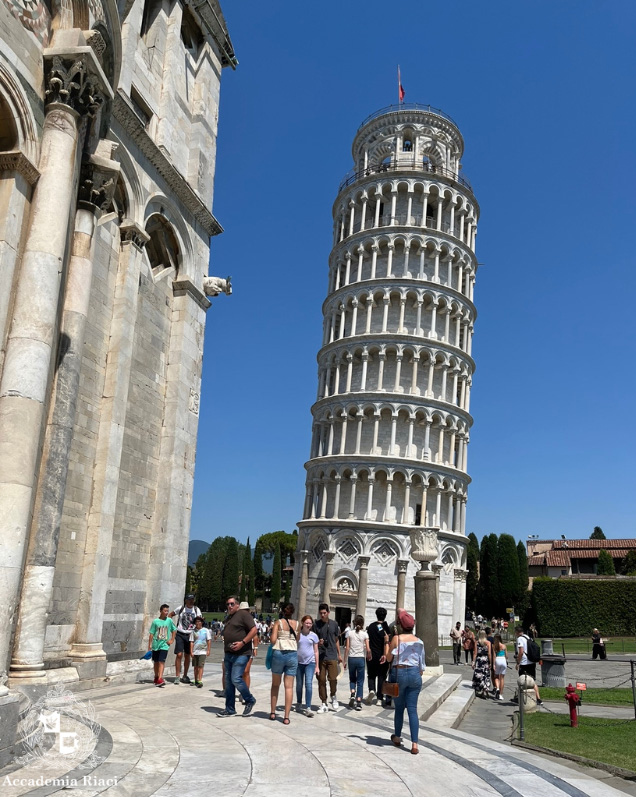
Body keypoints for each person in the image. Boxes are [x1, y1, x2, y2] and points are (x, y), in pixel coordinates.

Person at [384, 609, 424, 755]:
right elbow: (422, 664)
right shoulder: (419, 641)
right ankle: (414, 743)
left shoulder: (397, 639)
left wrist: (387, 644)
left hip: (399, 672)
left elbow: (389, 659)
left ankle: (397, 736)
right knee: (412, 709)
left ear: (400, 625)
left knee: (399, 708)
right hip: (414, 674)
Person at [219, 595, 258, 717]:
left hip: (241, 653)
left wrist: (243, 643)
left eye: (231, 604)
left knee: (236, 678)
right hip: (229, 653)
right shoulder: (229, 617)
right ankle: (230, 709)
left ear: (237, 605)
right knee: (229, 682)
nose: (229, 606)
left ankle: (250, 699)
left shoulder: (243, 614)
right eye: (227, 604)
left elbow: (254, 630)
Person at [269, 602, 299, 724]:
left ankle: (272, 712)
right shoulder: (297, 624)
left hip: (279, 652)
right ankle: (286, 717)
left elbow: (273, 640)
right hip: (292, 654)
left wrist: (272, 631)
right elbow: (298, 639)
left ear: (282, 611)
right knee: (289, 687)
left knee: (275, 684)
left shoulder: (278, 623)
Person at [315, 603, 343, 713]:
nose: (322, 615)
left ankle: (333, 695)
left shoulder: (334, 624)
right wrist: (318, 642)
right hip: (321, 655)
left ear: (328, 613)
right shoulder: (316, 625)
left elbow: (336, 639)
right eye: (321, 613)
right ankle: (323, 702)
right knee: (321, 680)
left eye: (324, 613)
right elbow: (313, 639)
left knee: (333, 678)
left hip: (332, 655)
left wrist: (339, 654)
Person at [169, 594, 202, 684]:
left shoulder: (196, 609)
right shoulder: (181, 608)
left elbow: (199, 620)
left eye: (193, 599)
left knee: (187, 655)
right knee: (179, 654)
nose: (191, 601)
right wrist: (171, 626)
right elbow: (170, 614)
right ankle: (177, 676)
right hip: (180, 633)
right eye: (190, 600)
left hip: (190, 634)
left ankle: (185, 675)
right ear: (186, 600)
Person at [344, 615, 370, 710]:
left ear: (354, 623)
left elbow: (347, 648)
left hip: (351, 658)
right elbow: (367, 648)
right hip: (360, 659)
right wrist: (369, 655)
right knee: (360, 680)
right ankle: (358, 701)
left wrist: (344, 660)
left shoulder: (349, 633)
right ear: (362, 624)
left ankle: (352, 692)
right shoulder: (365, 634)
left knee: (352, 679)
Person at [366, 608, 391, 705]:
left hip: (371, 654)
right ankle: (379, 698)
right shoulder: (384, 626)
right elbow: (386, 639)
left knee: (371, 675)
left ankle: (372, 689)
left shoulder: (371, 626)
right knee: (381, 676)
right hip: (382, 655)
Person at [148, 604, 176, 687]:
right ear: (161, 611)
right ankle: (156, 676)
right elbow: (151, 633)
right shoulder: (155, 621)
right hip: (156, 644)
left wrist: (172, 639)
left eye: (167, 611)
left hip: (164, 645)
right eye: (165, 611)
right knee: (156, 662)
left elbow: (174, 630)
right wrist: (149, 645)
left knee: (161, 661)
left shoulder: (169, 621)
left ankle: (160, 677)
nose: (166, 612)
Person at [296, 615, 319, 716]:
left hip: (310, 662)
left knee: (308, 683)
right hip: (299, 663)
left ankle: (308, 707)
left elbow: (316, 651)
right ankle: (299, 702)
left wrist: (317, 666)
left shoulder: (314, 636)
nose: (308, 625)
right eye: (307, 623)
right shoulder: (298, 635)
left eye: (310, 623)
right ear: (302, 623)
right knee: (299, 684)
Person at [513, 625, 542, 705]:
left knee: (522, 681)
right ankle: (538, 699)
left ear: (517, 632)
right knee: (532, 681)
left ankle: (520, 698)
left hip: (524, 663)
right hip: (531, 662)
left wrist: (518, 662)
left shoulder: (519, 639)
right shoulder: (527, 637)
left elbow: (521, 652)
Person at [472, 630, 495, 698]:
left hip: (479, 660)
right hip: (485, 660)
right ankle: (485, 690)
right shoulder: (488, 643)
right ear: (485, 635)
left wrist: (473, 662)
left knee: (479, 675)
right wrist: (490, 663)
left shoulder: (476, 642)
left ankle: (479, 688)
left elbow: (475, 653)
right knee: (485, 675)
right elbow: (489, 654)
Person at [190, 615, 211, 688]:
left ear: (202, 622)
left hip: (202, 651)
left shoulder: (205, 630)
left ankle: (200, 679)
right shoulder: (193, 631)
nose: (197, 623)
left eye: (199, 621)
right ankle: (195, 679)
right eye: (196, 621)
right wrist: (191, 651)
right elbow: (192, 642)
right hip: (195, 651)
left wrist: (208, 650)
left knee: (200, 666)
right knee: (195, 666)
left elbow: (208, 640)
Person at [492, 633, 507, 700]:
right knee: (502, 678)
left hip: (497, 659)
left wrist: (493, 664)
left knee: (496, 676)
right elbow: (507, 656)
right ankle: (501, 694)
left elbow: (494, 656)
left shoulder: (494, 646)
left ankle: (497, 688)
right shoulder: (504, 646)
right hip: (503, 659)